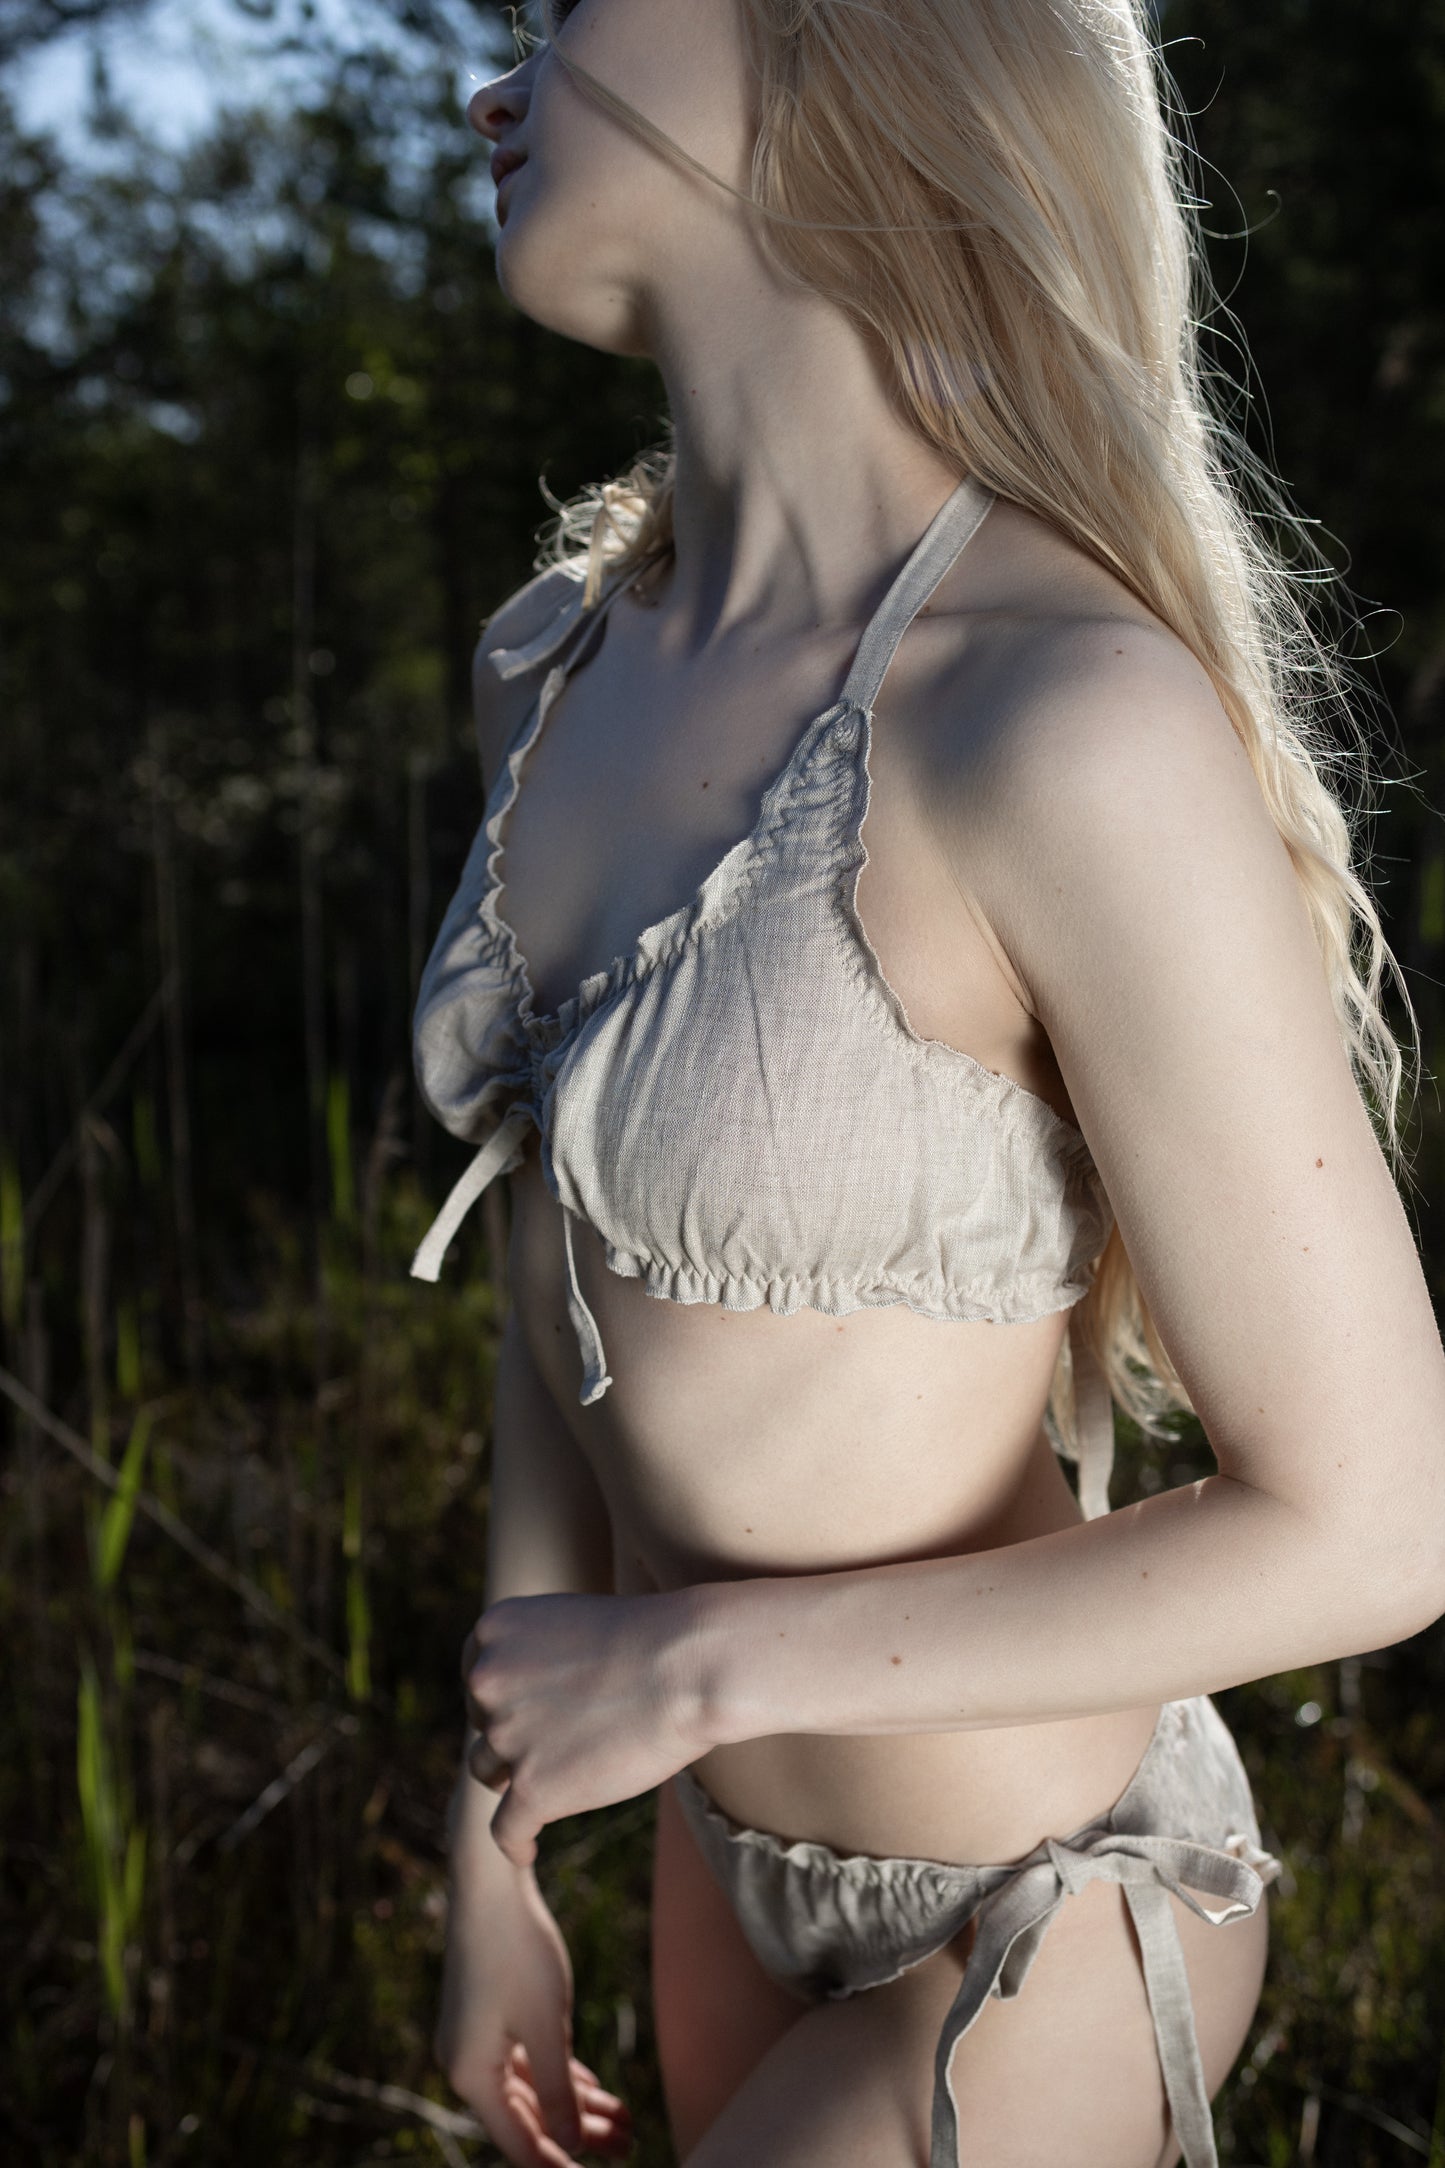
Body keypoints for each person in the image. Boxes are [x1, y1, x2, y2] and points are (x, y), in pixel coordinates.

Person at [411, 1, 1445, 2162]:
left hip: (1035, 1904)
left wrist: (686, 1669)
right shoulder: (552, 668)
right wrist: (492, 1840)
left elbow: (1375, 1526)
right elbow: (555, 1282)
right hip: (709, 1847)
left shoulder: (1055, 715)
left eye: (575, 8)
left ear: (848, 46)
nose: (493, 85)